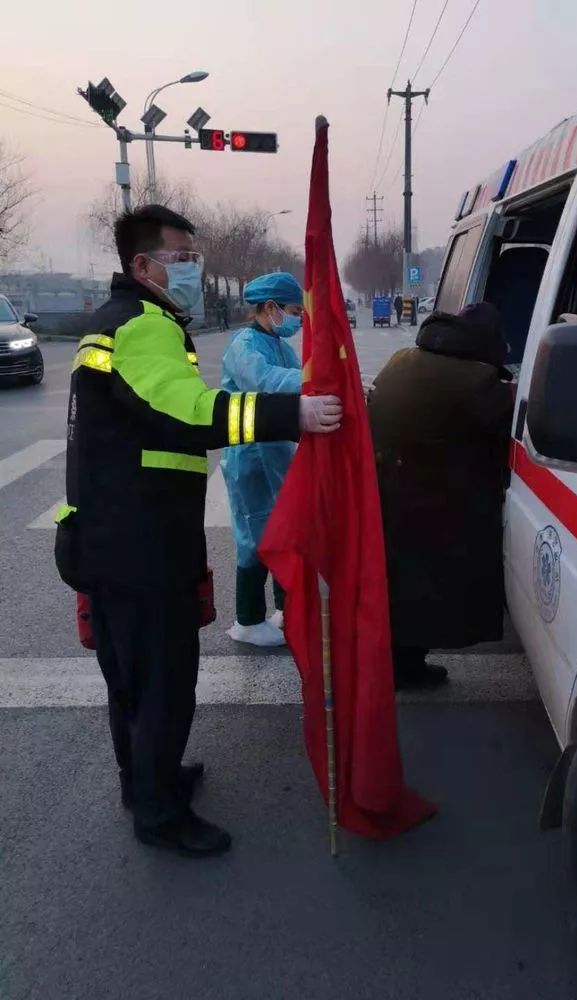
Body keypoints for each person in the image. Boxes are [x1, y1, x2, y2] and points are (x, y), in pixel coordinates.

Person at [56, 205, 342, 857]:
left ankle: (145, 782)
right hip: (141, 542)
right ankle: (159, 813)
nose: (193, 268)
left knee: (132, 679)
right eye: (181, 258)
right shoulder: (142, 325)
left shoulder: (117, 322)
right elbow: (187, 414)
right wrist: (292, 414)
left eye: (194, 257)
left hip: (113, 533)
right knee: (162, 681)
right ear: (143, 265)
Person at [368, 302, 515, 690]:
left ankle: (399, 663)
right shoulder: (475, 381)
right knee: (425, 588)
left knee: (401, 583)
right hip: (432, 499)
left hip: (390, 486)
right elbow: (513, 427)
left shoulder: (405, 358)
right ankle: (404, 669)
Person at [221, 272, 303, 646]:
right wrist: (313, 379)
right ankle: (249, 620)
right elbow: (267, 381)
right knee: (254, 536)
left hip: (276, 452)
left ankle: (285, 609)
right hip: (249, 455)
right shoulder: (245, 346)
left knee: (284, 531)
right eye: (294, 311)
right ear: (270, 308)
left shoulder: (280, 346)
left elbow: (298, 378)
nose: (298, 319)